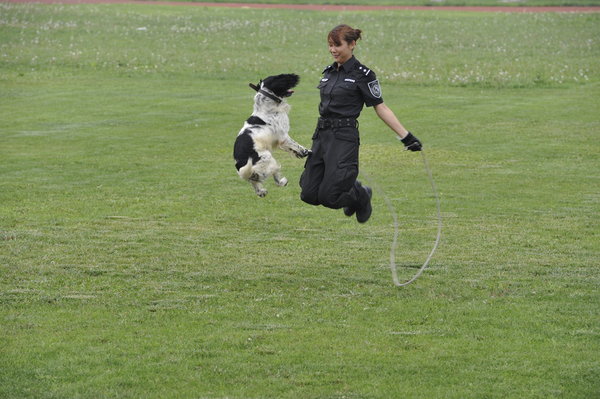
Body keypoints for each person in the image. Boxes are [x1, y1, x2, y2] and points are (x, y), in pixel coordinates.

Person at [300, 24, 422, 223]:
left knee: (329, 197)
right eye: (330, 45)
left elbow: (380, 107)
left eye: (337, 45)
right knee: (308, 194)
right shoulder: (328, 72)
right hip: (322, 136)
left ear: (352, 44)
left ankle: (360, 196)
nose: (332, 50)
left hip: (343, 138)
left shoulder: (363, 75)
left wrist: (406, 136)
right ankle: (355, 190)